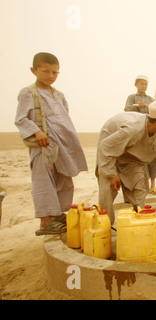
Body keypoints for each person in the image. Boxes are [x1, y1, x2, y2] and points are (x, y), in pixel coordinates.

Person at [15, 52, 88, 235]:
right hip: (43, 144)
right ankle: (46, 221)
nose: (50, 76)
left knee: (64, 178)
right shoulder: (28, 92)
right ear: (34, 70)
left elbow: (64, 118)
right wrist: (37, 131)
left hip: (63, 144)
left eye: (55, 72)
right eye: (45, 71)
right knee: (44, 180)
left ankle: (57, 215)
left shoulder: (59, 95)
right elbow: (21, 119)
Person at [96, 98, 156, 224]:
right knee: (108, 193)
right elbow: (106, 148)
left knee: (140, 189)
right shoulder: (132, 129)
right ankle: (104, 228)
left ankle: (140, 223)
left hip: (131, 158)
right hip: (110, 155)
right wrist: (112, 174)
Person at [124, 75, 156, 196]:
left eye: (145, 84)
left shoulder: (150, 98)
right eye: (141, 84)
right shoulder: (132, 97)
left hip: (150, 130)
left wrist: (150, 106)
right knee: (139, 158)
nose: (144, 86)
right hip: (137, 130)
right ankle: (141, 185)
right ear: (136, 85)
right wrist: (138, 107)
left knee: (153, 157)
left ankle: (153, 185)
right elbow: (127, 111)